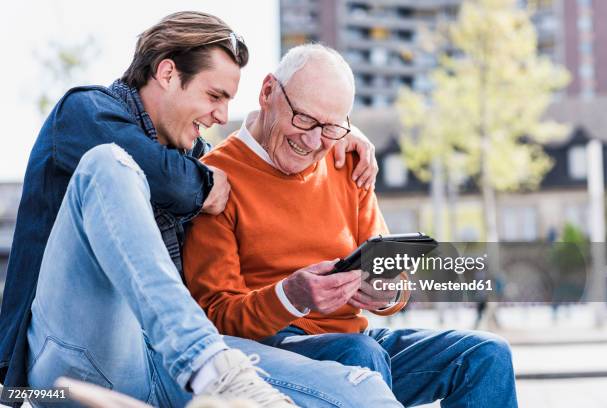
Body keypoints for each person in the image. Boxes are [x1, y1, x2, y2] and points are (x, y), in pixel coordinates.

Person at [0, 11, 398, 408]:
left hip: (159, 361)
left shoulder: (195, 158)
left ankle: (211, 369)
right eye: (214, 96)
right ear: (168, 73)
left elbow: (230, 152)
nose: (223, 115)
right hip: (70, 360)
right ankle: (209, 365)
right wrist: (207, 180)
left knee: (360, 388)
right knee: (108, 164)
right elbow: (165, 174)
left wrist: (338, 131)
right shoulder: (83, 113)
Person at [183, 44, 519, 408]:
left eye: (329, 127)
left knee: (486, 354)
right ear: (267, 92)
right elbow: (216, 316)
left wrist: (386, 293)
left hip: (358, 342)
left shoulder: (348, 161)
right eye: (304, 119)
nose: (312, 142)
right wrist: (291, 296)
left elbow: (396, 285)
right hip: (273, 352)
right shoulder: (215, 180)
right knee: (360, 356)